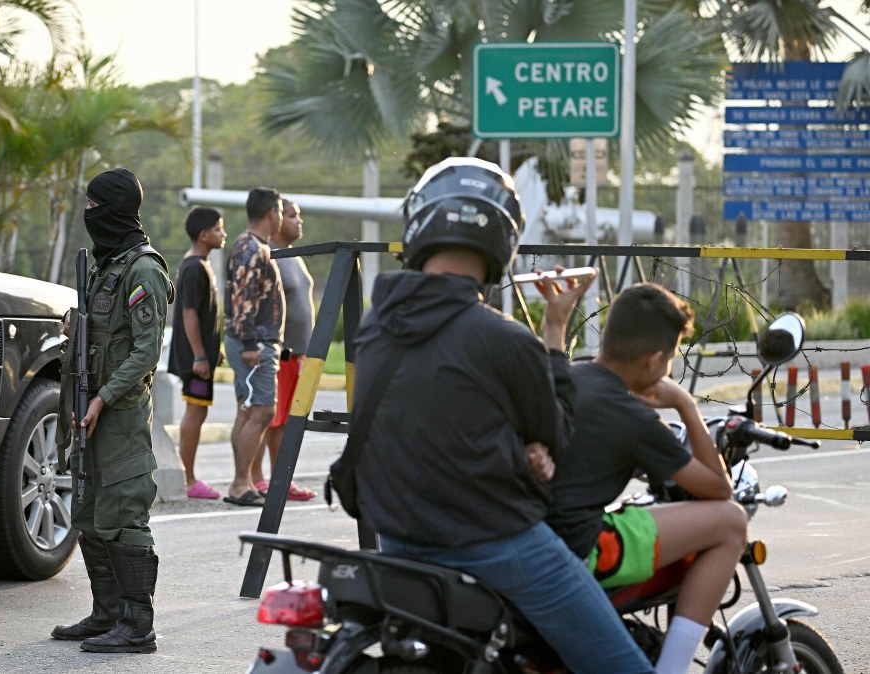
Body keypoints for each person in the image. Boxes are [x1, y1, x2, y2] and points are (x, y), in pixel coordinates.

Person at [352, 157, 655, 674]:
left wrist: (520, 443)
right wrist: (555, 332)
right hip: (490, 541)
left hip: (397, 536)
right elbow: (555, 438)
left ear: (419, 226)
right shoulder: (504, 338)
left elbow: (443, 415)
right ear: (503, 239)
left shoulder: (374, 329)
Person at [541, 281, 746, 674]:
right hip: (580, 549)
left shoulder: (567, 376)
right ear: (653, 361)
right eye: (670, 360)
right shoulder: (632, 416)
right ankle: (672, 668)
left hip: (534, 538)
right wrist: (686, 405)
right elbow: (720, 490)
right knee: (731, 522)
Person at [52, 167, 174, 654]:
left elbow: (146, 352)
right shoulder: (107, 266)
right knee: (88, 510)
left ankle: (137, 624)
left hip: (120, 413)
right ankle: (106, 614)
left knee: (123, 511)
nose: (88, 213)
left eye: (94, 205)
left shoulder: (143, 269)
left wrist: (103, 397)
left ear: (116, 208)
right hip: (91, 409)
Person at [222, 186, 285, 507]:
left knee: (248, 411)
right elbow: (243, 299)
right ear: (271, 212)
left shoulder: (252, 246)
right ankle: (239, 484)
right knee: (261, 410)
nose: (282, 217)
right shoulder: (251, 248)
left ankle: (243, 482)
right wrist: (249, 343)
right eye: (281, 211)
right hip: (254, 343)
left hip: (253, 340)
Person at [255, 198, 316, 501]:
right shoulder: (270, 256)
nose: (297, 221)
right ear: (276, 219)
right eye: (291, 215)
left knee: (285, 422)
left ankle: (280, 480)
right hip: (279, 354)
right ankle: (257, 480)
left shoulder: (295, 256)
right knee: (266, 419)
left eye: (298, 215)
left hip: (298, 355)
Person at [167, 207, 228, 499]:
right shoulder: (194, 268)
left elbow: (206, 315)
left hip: (201, 357)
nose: (223, 234)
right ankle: (188, 479)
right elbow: (189, 314)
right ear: (204, 235)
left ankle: (188, 476)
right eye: (218, 229)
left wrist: (215, 349)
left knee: (199, 409)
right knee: (196, 410)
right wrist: (200, 356)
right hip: (195, 361)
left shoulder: (201, 264)